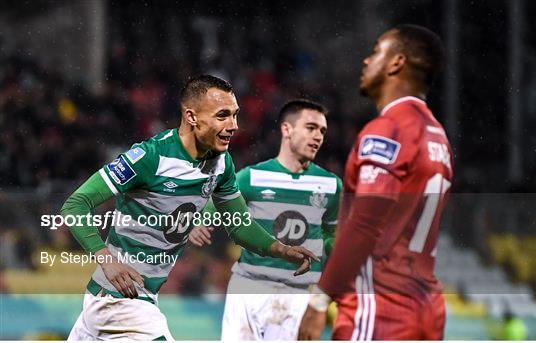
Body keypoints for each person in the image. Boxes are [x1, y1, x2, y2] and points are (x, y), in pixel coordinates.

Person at [60, 75, 318, 340]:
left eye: (235, 115)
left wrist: (281, 250)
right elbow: (75, 205)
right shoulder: (150, 157)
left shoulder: (221, 163)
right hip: (118, 301)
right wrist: (107, 260)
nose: (234, 125)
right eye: (223, 116)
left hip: (133, 298)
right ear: (192, 117)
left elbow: (239, 225)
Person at [298, 24, 453, 340]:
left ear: (396, 62)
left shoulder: (388, 129)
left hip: (380, 308)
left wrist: (319, 300)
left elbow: (366, 224)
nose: (367, 61)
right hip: (426, 308)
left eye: (375, 52)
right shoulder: (438, 136)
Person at [189, 99, 342, 340]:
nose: (318, 136)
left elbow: (332, 238)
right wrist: (202, 221)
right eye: (311, 128)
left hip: (298, 295)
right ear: (287, 130)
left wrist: (344, 264)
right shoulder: (253, 177)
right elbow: (218, 200)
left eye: (322, 131)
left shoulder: (332, 185)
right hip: (248, 288)